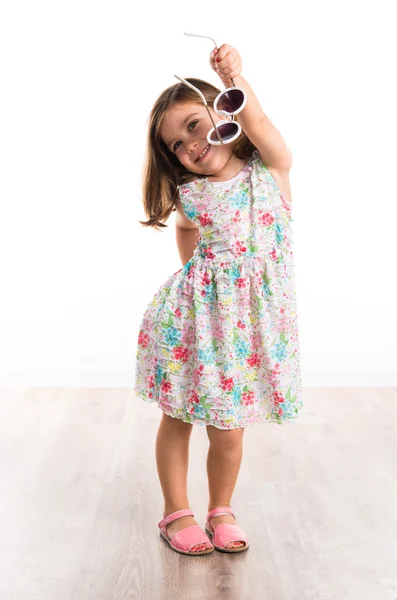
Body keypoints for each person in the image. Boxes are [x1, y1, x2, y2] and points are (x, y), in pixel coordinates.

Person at [134, 42, 303, 556]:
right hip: (193, 325)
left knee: (229, 429)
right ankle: (176, 511)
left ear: (223, 113)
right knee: (179, 417)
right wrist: (197, 280)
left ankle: (221, 508)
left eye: (192, 125)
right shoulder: (190, 194)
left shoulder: (270, 173)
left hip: (247, 331)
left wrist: (236, 78)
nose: (189, 144)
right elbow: (187, 233)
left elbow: (260, 118)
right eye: (176, 144)